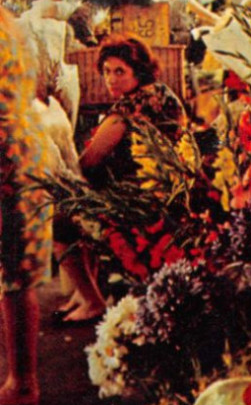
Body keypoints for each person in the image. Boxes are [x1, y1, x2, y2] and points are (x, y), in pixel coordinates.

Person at [55, 35, 190, 323]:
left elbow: (89, 161)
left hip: (143, 200)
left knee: (61, 222)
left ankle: (92, 302)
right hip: (172, 190)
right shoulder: (161, 92)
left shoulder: (128, 109)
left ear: (137, 71)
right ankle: (84, 294)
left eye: (120, 72)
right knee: (84, 201)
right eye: (106, 71)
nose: (111, 79)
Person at [0, 6, 51, 405]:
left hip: (7, 158)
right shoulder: (10, 24)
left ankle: (23, 382)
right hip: (23, 148)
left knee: (15, 276)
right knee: (17, 276)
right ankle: (21, 378)